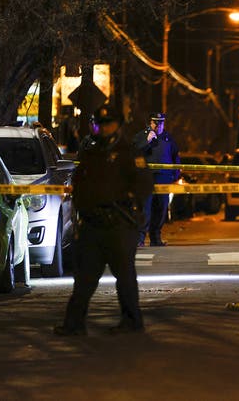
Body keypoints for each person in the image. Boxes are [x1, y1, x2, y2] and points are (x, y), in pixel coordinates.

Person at [54, 103, 154, 336]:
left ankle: (132, 321)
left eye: (109, 123)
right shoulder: (91, 152)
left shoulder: (129, 153)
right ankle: (74, 324)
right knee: (84, 279)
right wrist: (82, 212)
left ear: (117, 125)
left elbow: (144, 184)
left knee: (125, 277)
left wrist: (127, 200)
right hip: (92, 225)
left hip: (119, 223)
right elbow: (79, 185)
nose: (105, 128)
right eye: (101, 124)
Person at [133, 112, 180, 247]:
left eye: (161, 123)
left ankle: (156, 238)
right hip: (146, 176)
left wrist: (175, 173)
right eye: (156, 122)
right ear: (150, 123)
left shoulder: (168, 138)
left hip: (164, 177)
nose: (159, 125)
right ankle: (140, 238)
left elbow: (175, 155)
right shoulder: (141, 136)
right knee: (145, 208)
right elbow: (134, 153)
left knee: (161, 208)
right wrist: (146, 141)